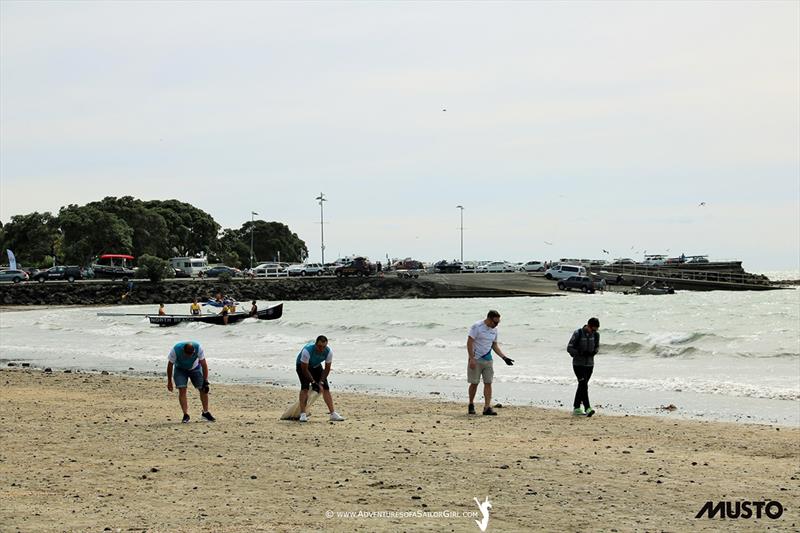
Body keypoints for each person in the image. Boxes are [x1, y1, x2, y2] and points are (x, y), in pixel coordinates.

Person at [466, 310, 514, 416]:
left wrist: (504, 358)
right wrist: (471, 358)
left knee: (488, 383)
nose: (496, 325)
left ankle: (487, 407)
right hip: (476, 359)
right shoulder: (477, 327)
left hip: (488, 360)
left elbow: (494, 345)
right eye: (495, 322)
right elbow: (469, 342)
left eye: (498, 323)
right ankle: (471, 404)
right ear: (488, 319)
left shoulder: (495, 330)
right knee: (474, 383)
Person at [295, 335, 345, 422]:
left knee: (325, 387)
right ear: (315, 344)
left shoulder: (328, 352)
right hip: (302, 365)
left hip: (316, 365)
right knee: (305, 387)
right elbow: (304, 369)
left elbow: (327, 369)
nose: (321, 349)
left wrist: (321, 382)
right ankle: (303, 414)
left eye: (324, 347)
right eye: (319, 346)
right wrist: (313, 382)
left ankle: (333, 414)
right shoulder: (307, 351)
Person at [166, 341, 215, 423]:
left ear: (194, 352)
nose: (189, 356)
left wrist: (205, 380)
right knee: (182, 390)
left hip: (195, 368)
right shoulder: (175, 350)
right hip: (180, 369)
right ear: (183, 351)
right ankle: (185, 415)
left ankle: (205, 413)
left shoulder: (198, 348)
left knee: (203, 389)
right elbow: (170, 365)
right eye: (187, 354)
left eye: (191, 354)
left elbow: (204, 364)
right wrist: (169, 381)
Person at [567, 317, 600, 417]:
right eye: (593, 329)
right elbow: (569, 348)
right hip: (578, 364)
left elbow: (597, 346)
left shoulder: (596, 335)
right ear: (588, 326)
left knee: (582, 386)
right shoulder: (578, 333)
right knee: (583, 384)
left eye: (596, 329)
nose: (594, 331)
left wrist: (594, 352)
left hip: (590, 364)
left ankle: (576, 408)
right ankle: (587, 408)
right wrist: (580, 353)